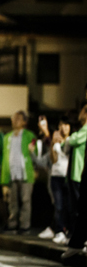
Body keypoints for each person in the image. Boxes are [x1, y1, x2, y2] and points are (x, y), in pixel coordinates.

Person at [31, 116, 70, 244]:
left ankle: (62, 229)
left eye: (65, 125)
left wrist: (47, 131)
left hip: (68, 177)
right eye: (61, 125)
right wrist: (53, 142)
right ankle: (58, 230)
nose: (62, 128)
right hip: (55, 177)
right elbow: (52, 160)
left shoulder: (72, 141)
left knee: (66, 206)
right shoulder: (55, 141)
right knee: (58, 205)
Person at [1, 111, 37, 234]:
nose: (15, 120)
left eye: (18, 118)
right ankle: (12, 225)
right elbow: (4, 158)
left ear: (24, 122)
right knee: (12, 201)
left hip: (25, 172)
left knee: (26, 200)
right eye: (14, 118)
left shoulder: (29, 135)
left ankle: (25, 226)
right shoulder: (7, 137)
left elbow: (36, 152)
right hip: (11, 172)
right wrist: (3, 178)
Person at [62, 102, 87, 238]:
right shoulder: (82, 129)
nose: (79, 114)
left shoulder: (86, 129)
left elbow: (73, 141)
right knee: (73, 208)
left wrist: (67, 139)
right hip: (74, 173)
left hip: (79, 173)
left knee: (79, 208)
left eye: (82, 111)